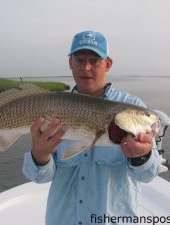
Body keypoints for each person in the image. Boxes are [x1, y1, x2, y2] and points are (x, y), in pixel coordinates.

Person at [22, 30, 160, 225]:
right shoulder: (53, 108)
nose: (86, 68)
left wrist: (142, 156)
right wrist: (40, 155)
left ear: (108, 64)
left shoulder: (131, 105)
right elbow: (39, 177)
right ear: (70, 63)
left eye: (94, 61)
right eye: (79, 60)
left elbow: (148, 174)